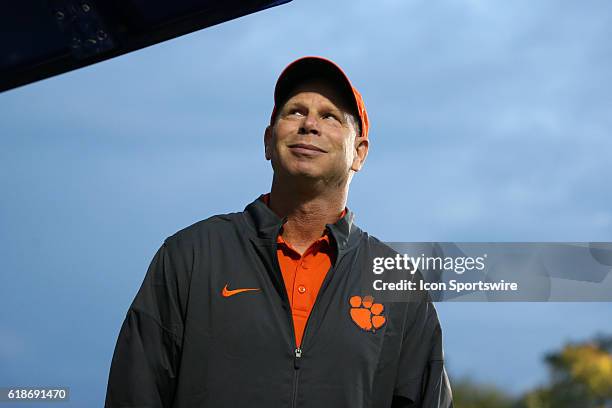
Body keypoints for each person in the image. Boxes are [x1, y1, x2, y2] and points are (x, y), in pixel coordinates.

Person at [104, 56, 453, 408]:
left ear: (359, 153)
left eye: (329, 116)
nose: (309, 125)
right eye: (295, 112)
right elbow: (134, 393)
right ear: (269, 141)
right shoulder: (191, 255)